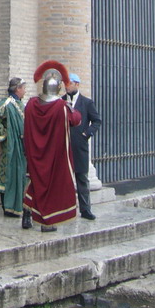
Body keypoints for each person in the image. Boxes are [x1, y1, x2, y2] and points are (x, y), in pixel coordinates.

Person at [22, 60, 81, 231]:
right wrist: (70, 106)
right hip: (53, 156)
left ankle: (27, 214)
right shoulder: (62, 107)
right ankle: (46, 221)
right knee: (49, 187)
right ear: (58, 89)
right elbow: (76, 119)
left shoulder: (31, 104)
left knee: (35, 183)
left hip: (34, 153)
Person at [0, 76, 27, 217]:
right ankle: (8, 208)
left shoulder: (19, 104)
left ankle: (18, 206)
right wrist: (4, 135)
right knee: (8, 176)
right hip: (8, 148)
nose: (25, 91)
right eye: (23, 88)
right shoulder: (7, 103)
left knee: (20, 175)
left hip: (21, 147)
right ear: (17, 89)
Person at [64, 73, 102, 220]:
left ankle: (85, 209)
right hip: (65, 146)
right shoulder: (61, 102)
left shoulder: (87, 103)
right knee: (65, 178)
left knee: (82, 178)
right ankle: (66, 209)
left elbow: (97, 120)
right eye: (65, 84)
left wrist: (87, 134)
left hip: (80, 146)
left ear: (77, 84)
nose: (67, 86)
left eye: (69, 83)